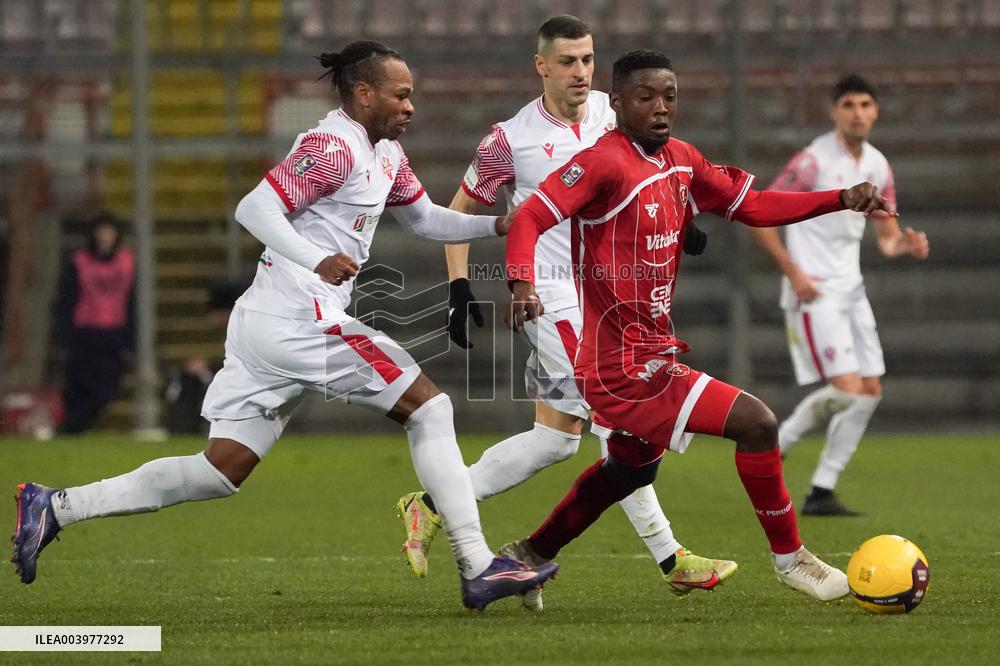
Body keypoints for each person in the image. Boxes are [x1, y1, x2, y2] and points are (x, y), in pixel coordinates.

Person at [12, 40, 557, 612]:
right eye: (400, 95)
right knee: (431, 409)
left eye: (411, 95)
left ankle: (57, 506)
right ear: (363, 93)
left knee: (219, 471)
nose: (410, 106)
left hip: (270, 324)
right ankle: (477, 564)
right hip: (299, 319)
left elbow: (424, 219)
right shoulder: (332, 147)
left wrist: (497, 224)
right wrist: (315, 258)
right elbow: (254, 208)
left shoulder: (386, 154)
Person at [503, 50, 895, 602]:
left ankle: (525, 557)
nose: (661, 108)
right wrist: (521, 282)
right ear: (617, 104)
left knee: (627, 472)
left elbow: (755, 204)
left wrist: (840, 199)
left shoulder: (681, 159)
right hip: (623, 366)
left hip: (650, 350)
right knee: (757, 424)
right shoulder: (602, 163)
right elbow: (530, 215)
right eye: (645, 97)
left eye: (669, 96)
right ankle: (791, 559)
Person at [395, 15, 731, 611]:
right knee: (620, 417)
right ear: (542, 66)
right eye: (568, 61)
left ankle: (432, 504)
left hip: (611, 298)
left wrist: (684, 220)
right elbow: (461, 208)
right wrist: (459, 285)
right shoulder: (510, 139)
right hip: (550, 299)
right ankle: (671, 558)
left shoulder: (615, 112)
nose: (581, 72)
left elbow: (649, 176)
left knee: (554, 441)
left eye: (589, 59)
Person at [750, 75, 929, 516]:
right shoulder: (813, 161)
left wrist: (904, 244)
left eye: (865, 104)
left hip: (852, 291)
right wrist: (794, 273)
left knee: (869, 391)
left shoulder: (878, 165)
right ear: (834, 112)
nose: (858, 113)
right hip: (815, 291)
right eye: (848, 105)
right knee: (849, 391)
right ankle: (777, 444)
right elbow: (760, 213)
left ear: (876, 111)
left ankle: (821, 491)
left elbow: (886, 237)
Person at [52, 212, 136, 434]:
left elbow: (132, 302)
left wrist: (129, 339)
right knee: (77, 388)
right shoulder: (79, 262)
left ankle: (71, 428)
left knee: (106, 392)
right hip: (84, 335)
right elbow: (67, 300)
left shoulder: (127, 262)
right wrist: (64, 337)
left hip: (113, 335)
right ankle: (70, 430)